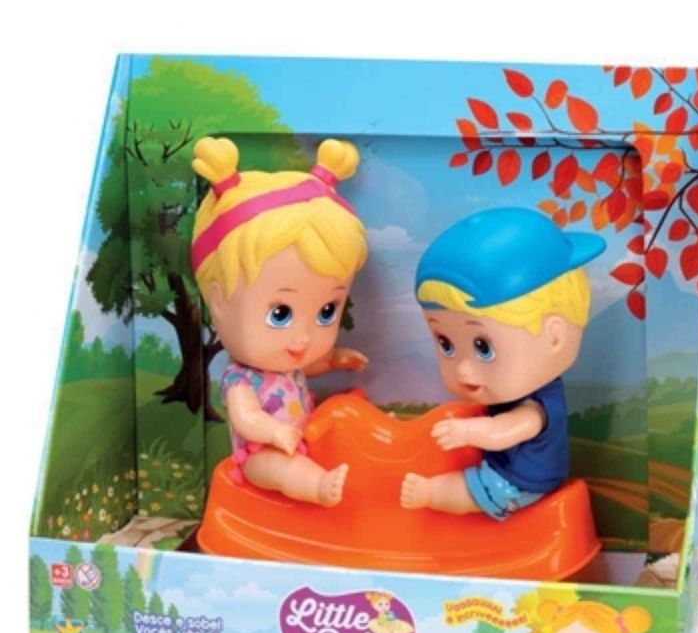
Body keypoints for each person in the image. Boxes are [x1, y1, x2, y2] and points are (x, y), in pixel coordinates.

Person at [191, 136, 368, 505]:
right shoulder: (240, 379)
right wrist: (274, 433)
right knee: (281, 468)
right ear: (218, 303)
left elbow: (306, 368)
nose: (302, 338)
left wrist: (333, 360)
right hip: (260, 453)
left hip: (302, 439)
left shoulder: (288, 363)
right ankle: (318, 488)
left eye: (326, 312)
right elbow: (246, 418)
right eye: (280, 314)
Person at [401, 207, 605, 520]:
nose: (463, 370)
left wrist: (468, 432)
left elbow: (507, 430)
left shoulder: (537, 407)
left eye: (483, 348)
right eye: (446, 344)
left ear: (554, 337)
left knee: (469, 491)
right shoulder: (521, 390)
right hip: (503, 465)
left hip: (521, 483)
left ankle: (431, 494)